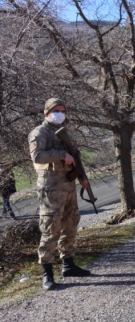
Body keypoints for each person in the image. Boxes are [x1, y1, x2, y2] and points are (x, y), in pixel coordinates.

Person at [28, 98, 92, 291]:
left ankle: (68, 265)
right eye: (56, 110)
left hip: (69, 184)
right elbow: (37, 156)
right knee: (51, 228)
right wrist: (62, 155)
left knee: (71, 224)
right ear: (47, 112)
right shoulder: (40, 132)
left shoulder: (66, 132)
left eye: (63, 110)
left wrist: (82, 177)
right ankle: (47, 274)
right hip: (51, 187)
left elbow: (76, 157)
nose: (60, 113)